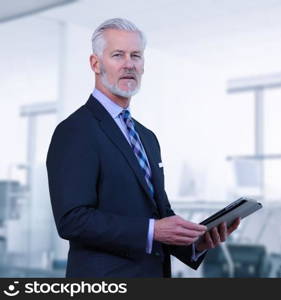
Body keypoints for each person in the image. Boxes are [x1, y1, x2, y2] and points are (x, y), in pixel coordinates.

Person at [46, 18, 240, 277]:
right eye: (118, 55)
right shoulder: (76, 131)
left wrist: (195, 243)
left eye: (136, 55)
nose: (129, 64)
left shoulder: (147, 137)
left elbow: (160, 215)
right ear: (95, 63)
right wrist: (151, 230)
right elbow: (72, 220)